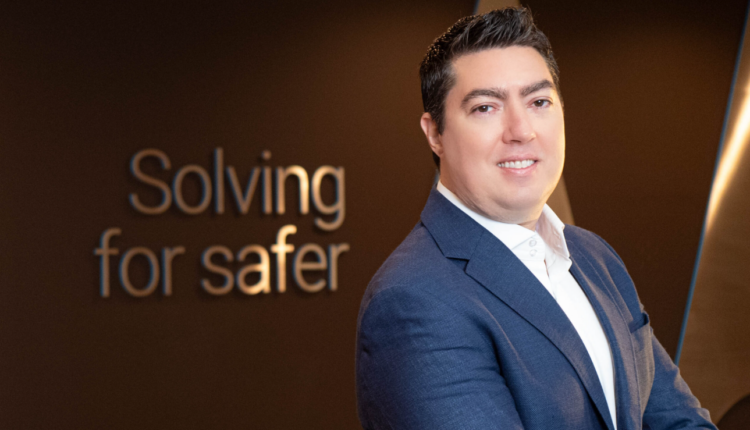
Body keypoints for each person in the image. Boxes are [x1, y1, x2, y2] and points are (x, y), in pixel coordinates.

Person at [355, 7, 716, 430]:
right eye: (486, 108)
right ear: (435, 133)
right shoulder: (414, 300)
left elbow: (679, 421)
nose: (521, 130)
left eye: (538, 102)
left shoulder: (594, 256)